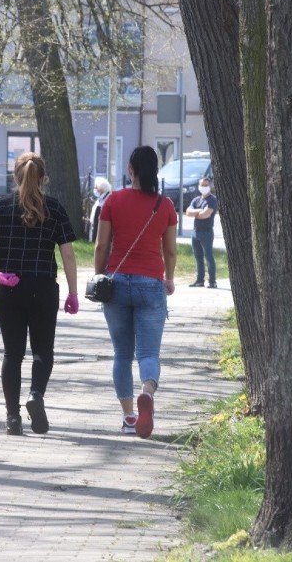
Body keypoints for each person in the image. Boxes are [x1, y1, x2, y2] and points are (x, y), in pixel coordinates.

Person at [0, 151, 79, 436]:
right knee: (43, 350)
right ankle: (36, 396)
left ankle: (12, 418)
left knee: (13, 353)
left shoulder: (0, 207)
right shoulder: (54, 208)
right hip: (43, 288)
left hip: (9, 288)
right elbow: (68, 254)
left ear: (15, 176)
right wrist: (73, 293)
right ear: (43, 178)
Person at [93, 145, 178, 439]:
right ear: (155, 170)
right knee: (149, 352)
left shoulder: (113, 200)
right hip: (151, 283)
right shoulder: (165, 205)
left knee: (121, 354)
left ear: (131, 170)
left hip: (116, 283)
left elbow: (101, 245)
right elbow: (169, 249)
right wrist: (169, 278)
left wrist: (99, 274)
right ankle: (148, 393)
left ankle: (129, 417)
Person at [186, 177, 218, 288]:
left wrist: (196, 213)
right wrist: (199, 211)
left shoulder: (212, 200)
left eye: (206, 185)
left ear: (210, 186)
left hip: (207, 232)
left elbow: (206, 215)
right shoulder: (196, 200)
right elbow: (188, 212)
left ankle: (212, 281)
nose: (203, 187)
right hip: (195, 232)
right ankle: (200, 280)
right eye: (202, 185)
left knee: (208, 257)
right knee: (198, 257)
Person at [89, 177, 112, 243]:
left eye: (96, 187)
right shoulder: (99, 199)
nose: (94, 189)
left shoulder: (107, 199)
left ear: (101, 188)